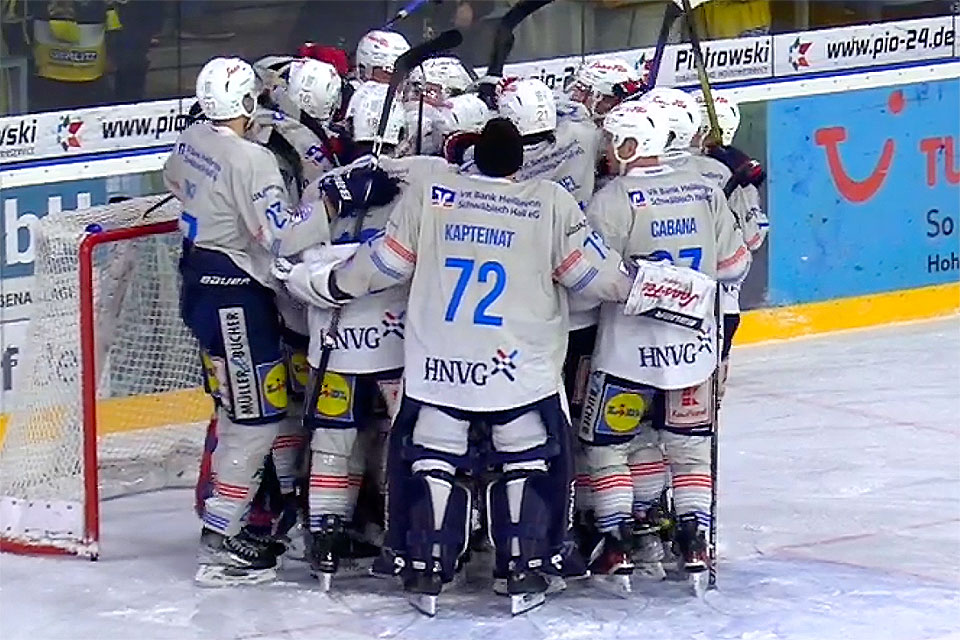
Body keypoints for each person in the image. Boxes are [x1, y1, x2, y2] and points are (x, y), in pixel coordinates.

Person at [279, 118, 636, 615]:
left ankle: (425, 566)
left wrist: (332, 284)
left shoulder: (432, 194)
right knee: (527, 462)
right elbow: (592, 276)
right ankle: (523, 567)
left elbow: (384, 265)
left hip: (439, 370)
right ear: (519, 163)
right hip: (517, 371)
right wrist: (650, 287)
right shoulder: (549, 202)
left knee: (430, 462)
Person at [164, 56, 392, 586]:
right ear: (246, 102)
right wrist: (333, 200)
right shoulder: (252, 160)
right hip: (234, 299)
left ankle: (243, 520)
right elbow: (283, 236)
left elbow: (174, 180)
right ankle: (219, 543)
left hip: (199, 286)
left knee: (242, 411)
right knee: (256, 419)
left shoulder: (191, 139)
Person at [578, 100, 750, 592]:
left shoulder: (612, 199)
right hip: (694, 354)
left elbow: (591, 281)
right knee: (689, 452)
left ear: (631, 144)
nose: (607, 150)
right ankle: (694, 543)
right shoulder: (704, 190)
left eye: (614, 141)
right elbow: (734, 265)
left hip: (626, 356)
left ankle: (617, 544)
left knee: (611, 447)